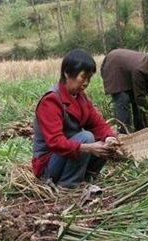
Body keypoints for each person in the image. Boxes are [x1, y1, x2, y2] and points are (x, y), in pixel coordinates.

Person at [32, 49, 118, 189]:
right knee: (87, 137)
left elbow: (97, 124)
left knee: (103, 145)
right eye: (83, 77)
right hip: (48, 164)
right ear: (67, 73)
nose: (86, 83)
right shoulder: (51, 101)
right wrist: (88, 148)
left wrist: (109, 138)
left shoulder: (81, 97)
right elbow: (55, 142)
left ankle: (86, 178)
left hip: (68, 156)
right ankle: (68, 185)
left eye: (89, 78)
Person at [101, 46, 148, 133]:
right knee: (123, 99)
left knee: (138, 102)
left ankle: (140, 128)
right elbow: (140, 97)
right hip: (113, 67)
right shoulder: (140, 69)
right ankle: (124, 132)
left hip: (127, 69)